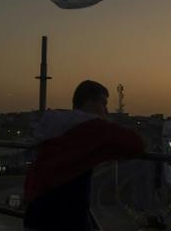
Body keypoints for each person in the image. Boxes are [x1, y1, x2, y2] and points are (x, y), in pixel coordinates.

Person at [23, 80, 145, 231]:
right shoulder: (93, 127)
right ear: (89, 102)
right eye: (103, 103)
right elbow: (136, 144)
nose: (106, 110)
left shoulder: (52, 124)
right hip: (66, 217)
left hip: (36, 213)